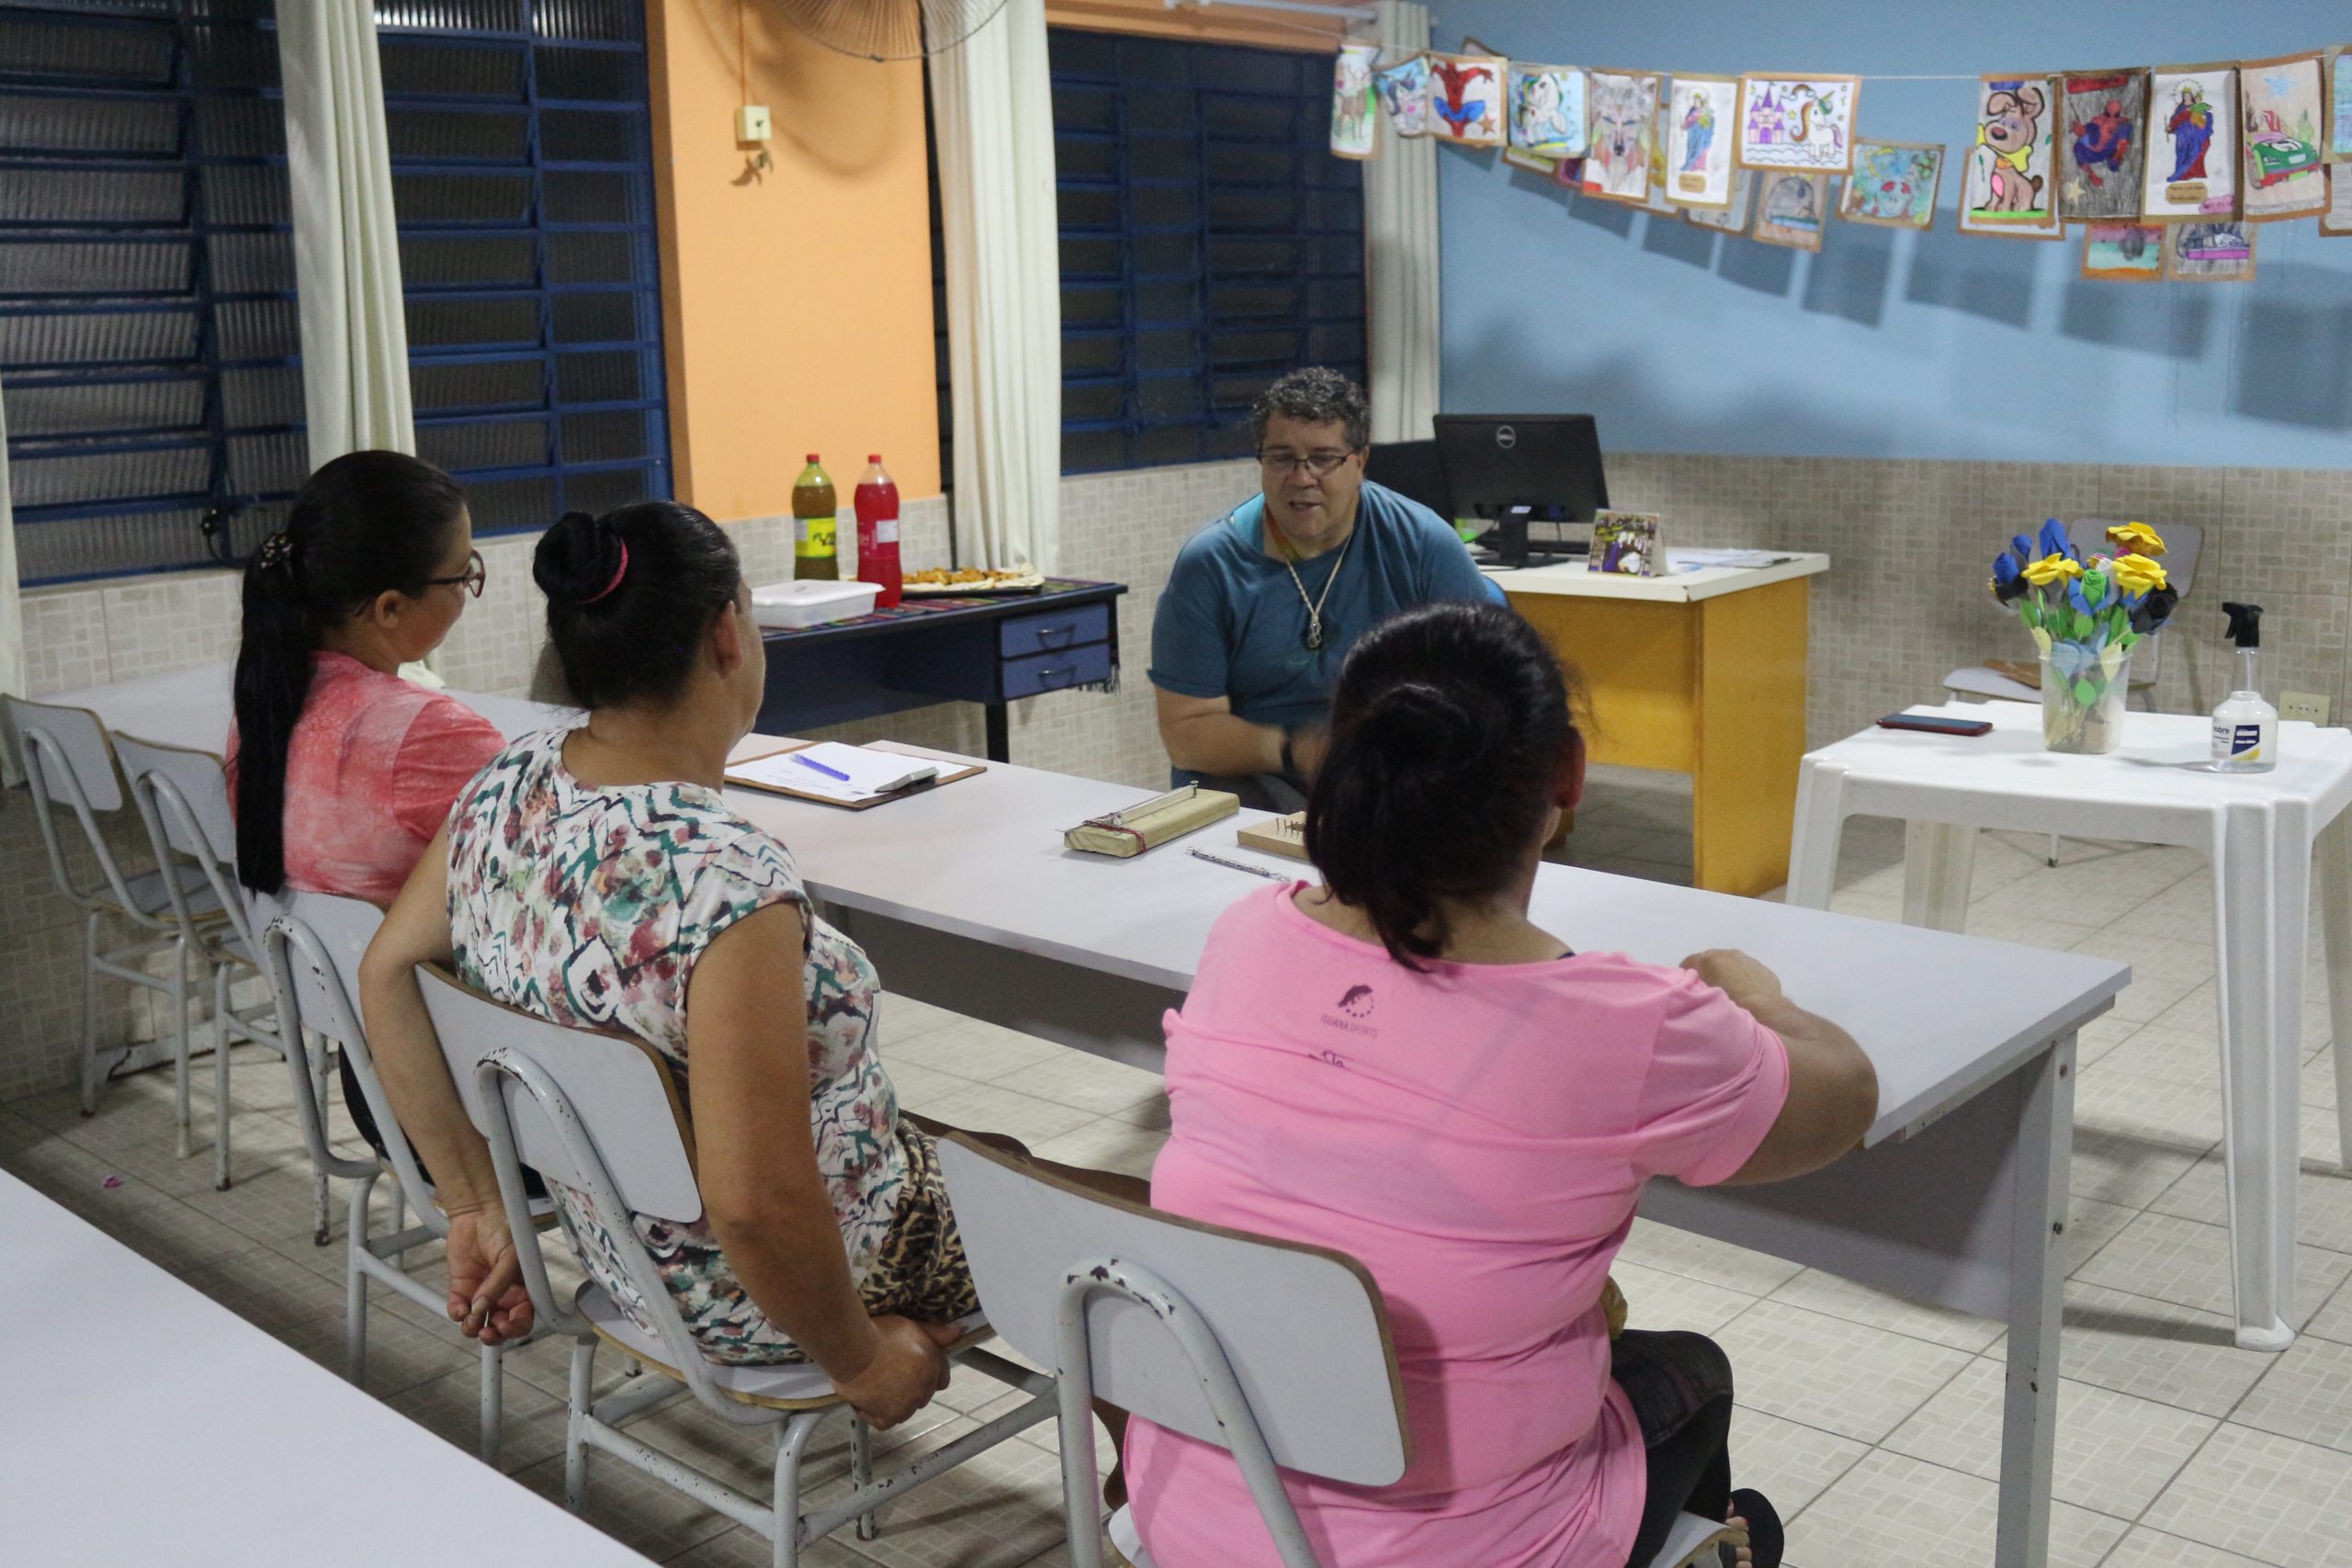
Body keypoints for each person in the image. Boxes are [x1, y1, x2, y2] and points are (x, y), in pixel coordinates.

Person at [357, 501, 1145, 1432]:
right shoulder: (725, 884)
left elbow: (386, 972)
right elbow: (752, 1206)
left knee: (995, 1158)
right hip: (762, 1294)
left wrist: (475, 1206)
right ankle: (1164, 1483)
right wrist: (861, 1360)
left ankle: (1129, 1457)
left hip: (619, 1254)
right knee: (1139, 1223)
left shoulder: (509, 784)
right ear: (728, 634)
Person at [1124, 601, 1879, 1568]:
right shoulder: (1623, 1024)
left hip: (1199, 1512)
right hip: (1460, 1549)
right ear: (1568, 775)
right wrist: (1755, 994)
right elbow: (1844, 1098)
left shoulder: (1244, 933)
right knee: (1691, 1368)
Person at [230, 448, 498, 1158]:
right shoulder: (427, 734)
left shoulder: (264, 709)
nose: (467, 592)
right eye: (463, 576)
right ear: (389, 608)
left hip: (366, 1070)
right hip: (474, 1096)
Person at [1149, 367, 1493, 810]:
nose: (1301, 477)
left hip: (1390, 778)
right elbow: (1187, 734)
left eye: (1323, 458)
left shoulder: (1424, 544)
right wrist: (1298, 750)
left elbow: (1485, 689)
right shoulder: (1210, 565)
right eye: (1281, 458)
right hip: (1256, 781)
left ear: (1360, 461)